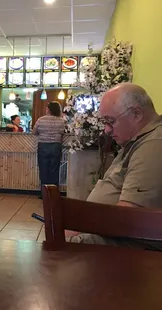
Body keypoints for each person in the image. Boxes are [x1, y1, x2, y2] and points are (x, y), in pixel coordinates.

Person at [66, 83, 162, 250]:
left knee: (58, 248)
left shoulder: (154, 144)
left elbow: (129, 215)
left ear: (136, 113)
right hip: (114, 236)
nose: (106, 130)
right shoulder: (138, 140)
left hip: (128, 245)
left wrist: (78, 225)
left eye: (110, 121)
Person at [32, 101, 65, 199]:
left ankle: (44, 194)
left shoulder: (41, 120)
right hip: (55, 147)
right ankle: (54, 194)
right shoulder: (61, 121)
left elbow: (34, 132)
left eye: (47, 108)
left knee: (43, 171)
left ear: (49, 109)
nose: (46, 110)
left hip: (43, 147)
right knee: (54, 171)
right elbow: (63, 132)